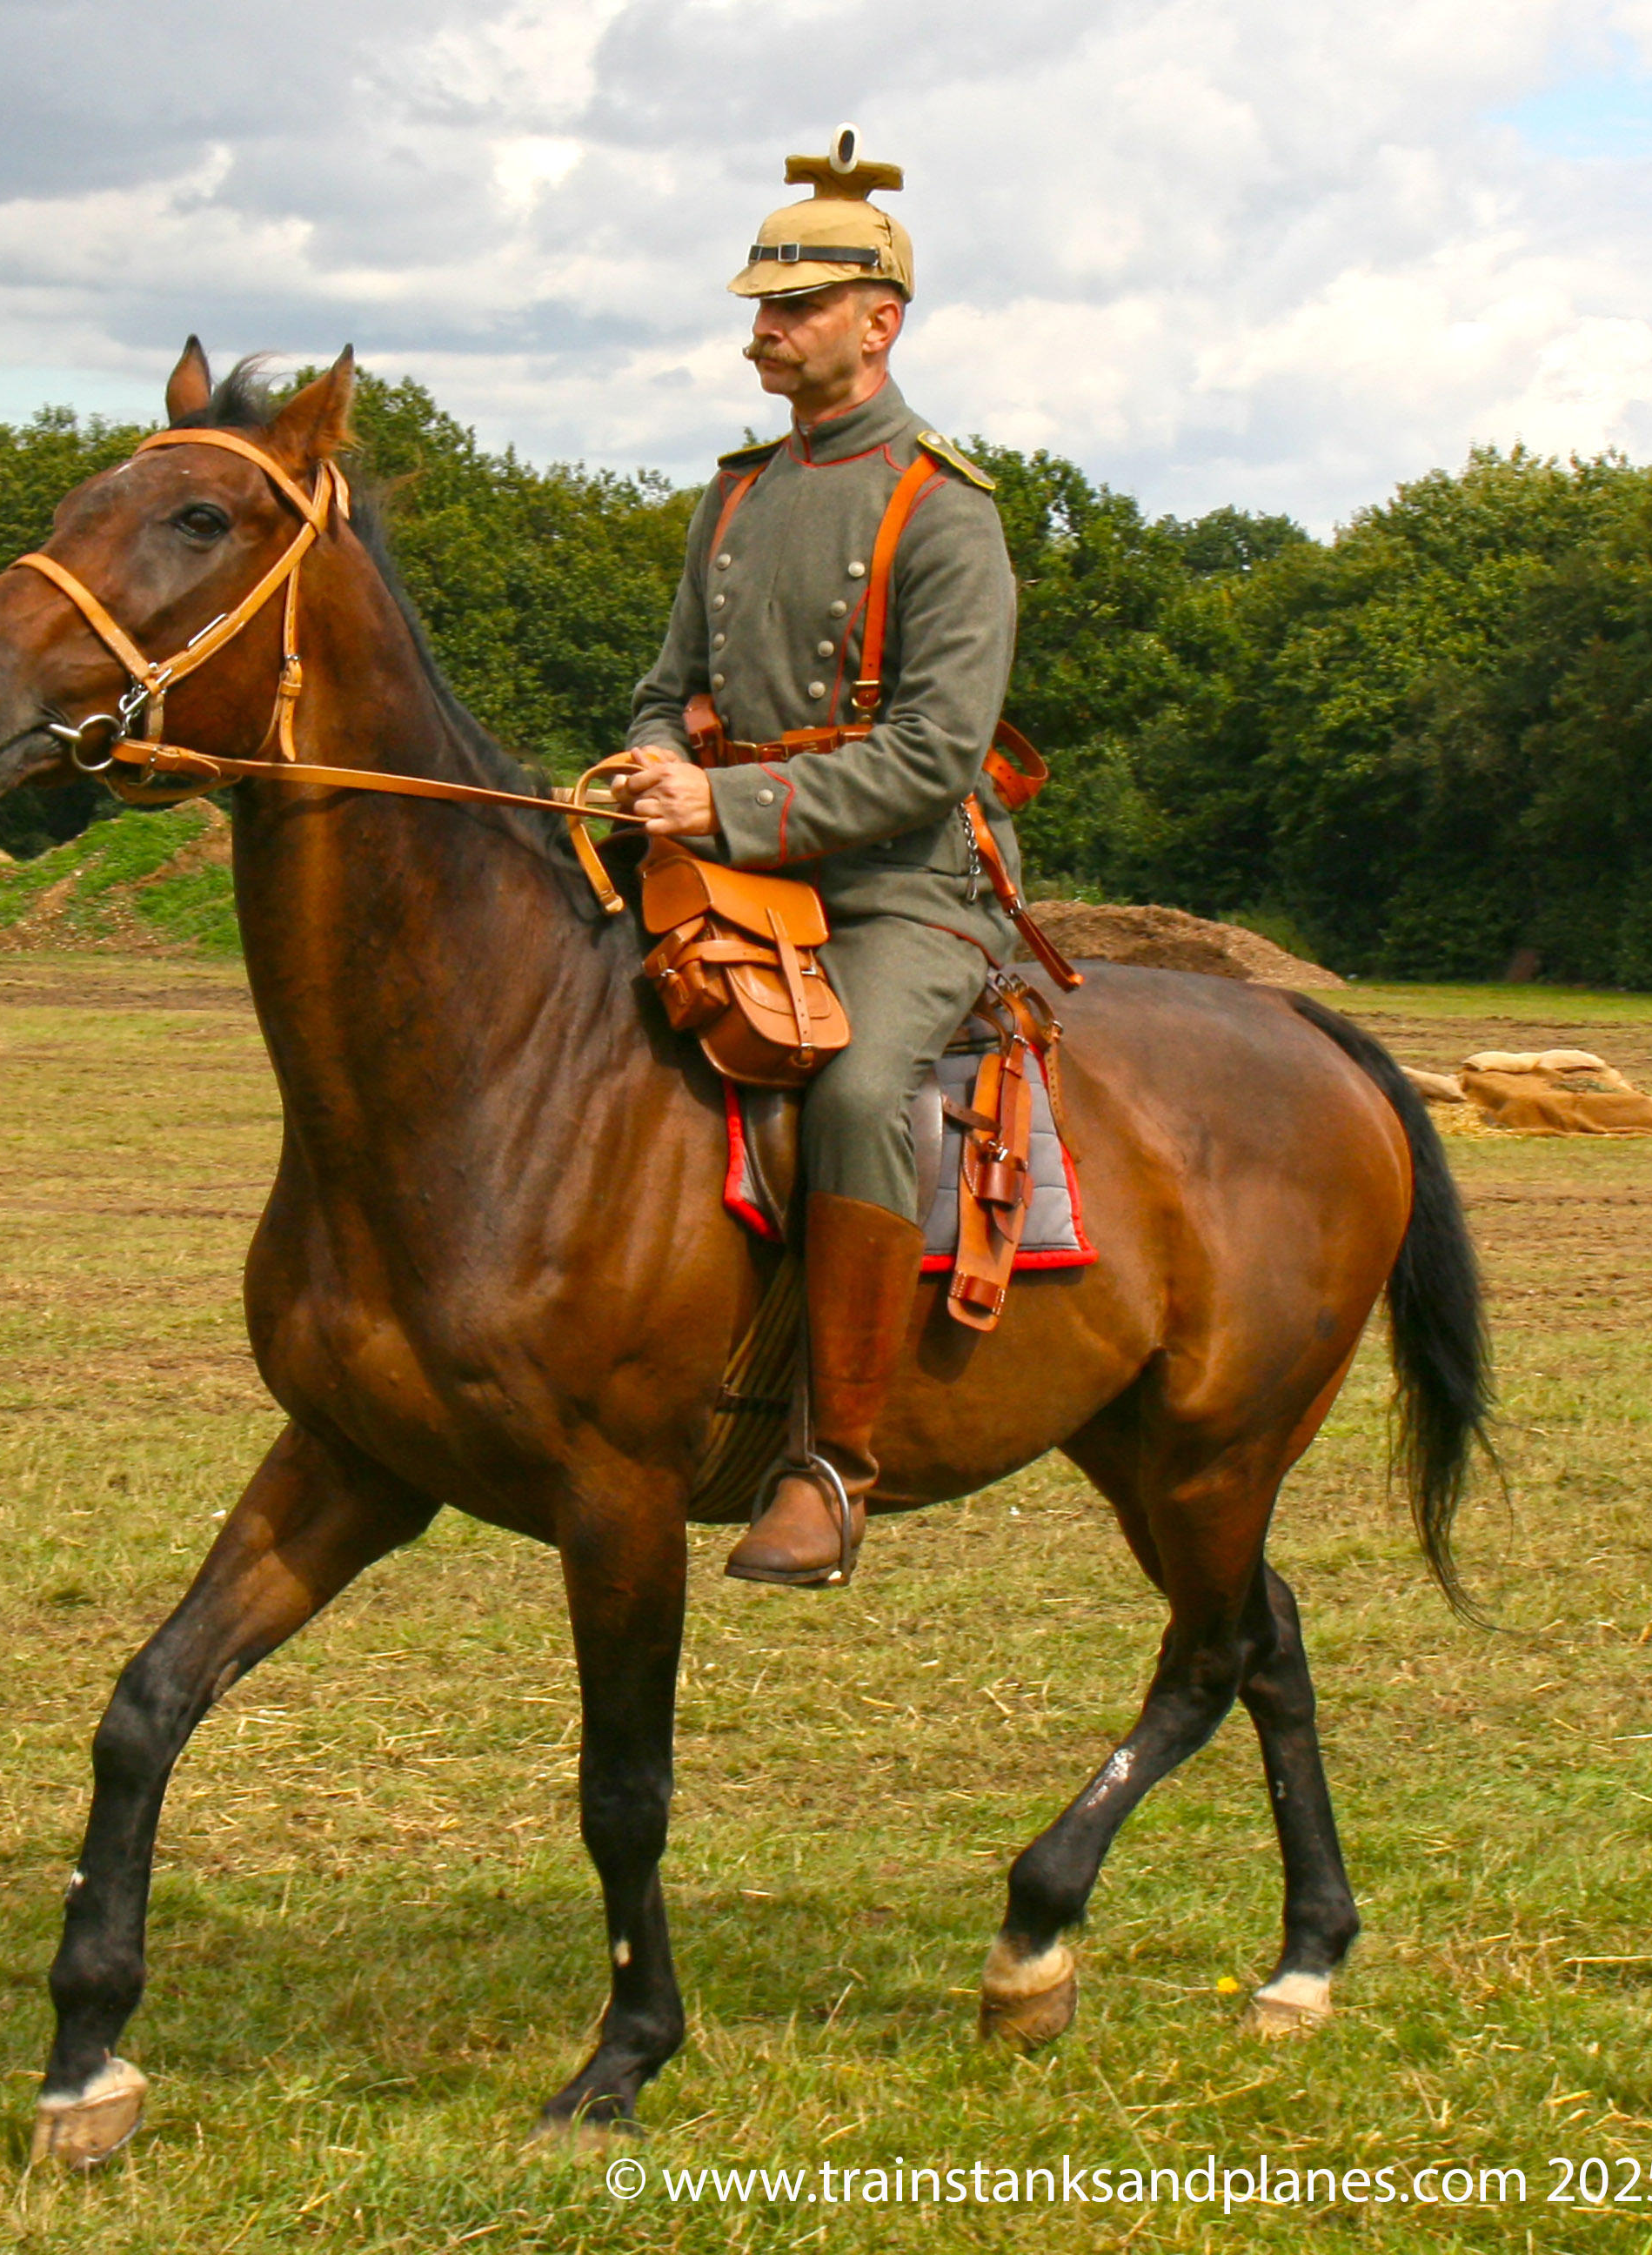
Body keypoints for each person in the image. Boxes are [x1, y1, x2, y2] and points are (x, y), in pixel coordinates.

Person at [616, 130, 1024, 1587]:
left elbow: (934, 756)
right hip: (734, 871)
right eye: (759, 308)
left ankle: (835, 1464)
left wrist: (721, 806)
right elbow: (667, 688)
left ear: (880, 322)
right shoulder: (732, 494)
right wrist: (651, 767)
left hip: (906, 888)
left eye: (794, 308)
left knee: (855, 1089)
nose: (765, 332)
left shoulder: (948, 509)